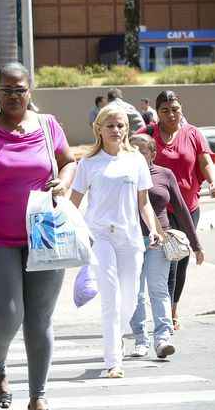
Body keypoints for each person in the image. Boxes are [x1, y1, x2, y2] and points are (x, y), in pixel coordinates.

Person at [0, 62, 76, 410]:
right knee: (7, 314)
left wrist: (65, 182)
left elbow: (69, 162)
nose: (13, 96)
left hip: (44, 233)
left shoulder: (47, 125)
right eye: (6, 89)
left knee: (39, 319)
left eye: (19, 89)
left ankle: (38, 395)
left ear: (30, 91)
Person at [70, 104, 162, 379]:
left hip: (131, 237)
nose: (116, 130)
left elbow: (143, 202)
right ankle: (113, 360)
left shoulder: (135, 161)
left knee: (131, 299)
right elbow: (73, 203)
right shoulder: (87, 163)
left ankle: (116, 338)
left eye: (121, 125)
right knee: (110, 297)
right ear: (99, 128)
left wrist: (153, 229)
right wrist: (76, 233)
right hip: (100, 237)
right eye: (110, 125)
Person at [138, 90, 215, 329]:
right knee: (165, 261)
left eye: (175, 109)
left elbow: (205, 161)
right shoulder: (147, 134)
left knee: (180, 261)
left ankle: (172, 308)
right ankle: (163, 312)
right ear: (157, 113)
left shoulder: (193, 134)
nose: (171, 115)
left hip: (187, 207)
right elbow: (129, 154)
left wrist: (212, 180)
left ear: (181, 109)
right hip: (158, 209)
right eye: (165, 111)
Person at [128, 134, 203, 360]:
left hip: (158, 240)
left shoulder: (164, 174)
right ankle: (140, 339)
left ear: (153, 153)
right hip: (130, 242)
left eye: (142, 151)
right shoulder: (123, 175)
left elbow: (181, 208)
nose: (137, 155)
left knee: (158, 288)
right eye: (132, 150)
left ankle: (162, 339)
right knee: (136, 293)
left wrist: (196, 244)